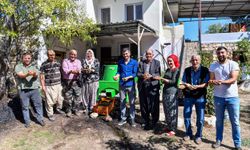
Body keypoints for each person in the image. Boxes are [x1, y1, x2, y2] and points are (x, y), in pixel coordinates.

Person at [209, 46, 241, 150]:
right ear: (216, 54)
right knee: (219, 121)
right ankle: (218, 140)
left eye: (222, 52)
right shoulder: (213, 66)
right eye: (218, 53)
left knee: (235, 121)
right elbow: (211, 80)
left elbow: (233, 79)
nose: (220, 55)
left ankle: (237, 144)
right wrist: (212, 82)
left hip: (232, 97)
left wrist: (221, 81)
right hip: (218, 97)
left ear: (227, 53)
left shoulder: (233, 64)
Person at [179, 55, 209, 144]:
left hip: (200, 96)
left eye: (196, 60)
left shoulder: (205, 70)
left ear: (199, 61)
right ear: (191, 61)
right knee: (186, 116)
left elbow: (206, 84)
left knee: (200, 118)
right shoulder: (187, 70)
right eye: (193, 60)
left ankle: (199, 135)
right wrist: (187, 85)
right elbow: (184, 82)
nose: (194, 62)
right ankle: (188, 133)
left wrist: (197, 87)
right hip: (188, 96)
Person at [15, 53, 45, 128]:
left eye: (29, 58)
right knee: (25, 107)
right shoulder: (18, 66)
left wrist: (34, 74)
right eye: (25, 58)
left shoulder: (34, 66)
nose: (27, 59)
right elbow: (20, 75)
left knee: (38, 105)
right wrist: (27, 74)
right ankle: (27, 122)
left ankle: (40, 119)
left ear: (31, 59)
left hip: (34, 89)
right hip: (23, 90)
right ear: (23, 58)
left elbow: (36, 75)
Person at [113, 48, 138, 127]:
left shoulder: (134, 62)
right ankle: (123, 118)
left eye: (126, 54)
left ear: (129, 54)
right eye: (124, 54)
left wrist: (128, 77)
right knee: (122, 102)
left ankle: (132, 119)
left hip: (130, 84)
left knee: (132, 102)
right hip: (122, 85)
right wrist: (117, 76)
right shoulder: (120, 62)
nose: (125, 55)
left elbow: (135, 73)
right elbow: (119, 71)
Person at [137, 49, 161, 130]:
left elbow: (158, 74)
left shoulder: (157, 63)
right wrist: (143, 75)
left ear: (153, 55)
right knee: (144, 105)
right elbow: (138, 73)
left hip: (153, 86)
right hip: (143, 86)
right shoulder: (141, 63)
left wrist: (151, 75)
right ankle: (146, 121)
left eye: (150, 54)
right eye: (147, 54)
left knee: (154, 105)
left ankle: (154, 122)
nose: (148, 55)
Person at [158, 54, 180, 135]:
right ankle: (169, 126)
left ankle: (173, 129)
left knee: (172, 111)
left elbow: (173, 81)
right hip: (165, 92)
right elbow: (164, 80)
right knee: (166, 110)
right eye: (168, 61)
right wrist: (162, 80)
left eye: (171, 61)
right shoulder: (168, 70)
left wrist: (163, 79)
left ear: (174, 61)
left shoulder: (176, 70)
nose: (169, 62)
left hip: (172, 93)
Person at [40, 49, 64, 121]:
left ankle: (58, 109)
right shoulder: (44, 64)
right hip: (49, 85)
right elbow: (41, 76)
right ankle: (50, 114)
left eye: (53, 55)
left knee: (60, 99)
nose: (52, 56)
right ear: (47, 56)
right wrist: (43, 86)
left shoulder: (58, 63)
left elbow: (62, 72)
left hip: (58, 84)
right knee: (49, 101)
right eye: (50, 55)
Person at [62, 49, 82, 117]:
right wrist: (72, 71)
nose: (73, 56)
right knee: (68, 97)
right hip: (68, 81)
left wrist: (76, 71)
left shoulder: (78, 61)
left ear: (76, 55)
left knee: (77, 96)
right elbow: (66, 70)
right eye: (71, 54)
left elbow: (79, 69)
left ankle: (76, 110)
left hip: (76, 81)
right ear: (69, 54)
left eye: (74, 55)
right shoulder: (65, 61)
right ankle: (69, 111)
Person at [81, 49, 100, 115]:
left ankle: (92, 107)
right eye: (88, 54)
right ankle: (85, 107)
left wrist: (91, 70)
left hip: (93, 81)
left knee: (93, 94)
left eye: (90, 53)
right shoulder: (83, 61)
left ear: (92, 54)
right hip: (85, 80)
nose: (89, 55)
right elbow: (81, 69)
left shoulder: (96, 61)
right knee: (85, 94)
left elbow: (96, 69)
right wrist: (85, 70)